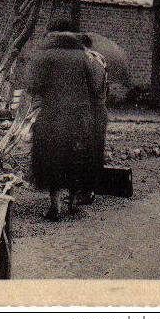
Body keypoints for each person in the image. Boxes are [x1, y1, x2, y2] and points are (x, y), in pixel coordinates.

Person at [28, 19, 105, 221]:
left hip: (52, 116)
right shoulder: (84, 57)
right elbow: (96, 87)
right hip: (79, 118)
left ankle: (55, 206)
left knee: (52, 158)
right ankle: (71, 201)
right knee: (75, 156)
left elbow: (33, 85)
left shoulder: (46, 56)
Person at [79, 33, 109, 205]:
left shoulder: (91, 61)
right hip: (98, 108)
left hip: (93, 110)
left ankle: (88, 190)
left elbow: (95, 88)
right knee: (91, 149)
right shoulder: (100, 59)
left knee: (91, 150)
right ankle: (87, 188)